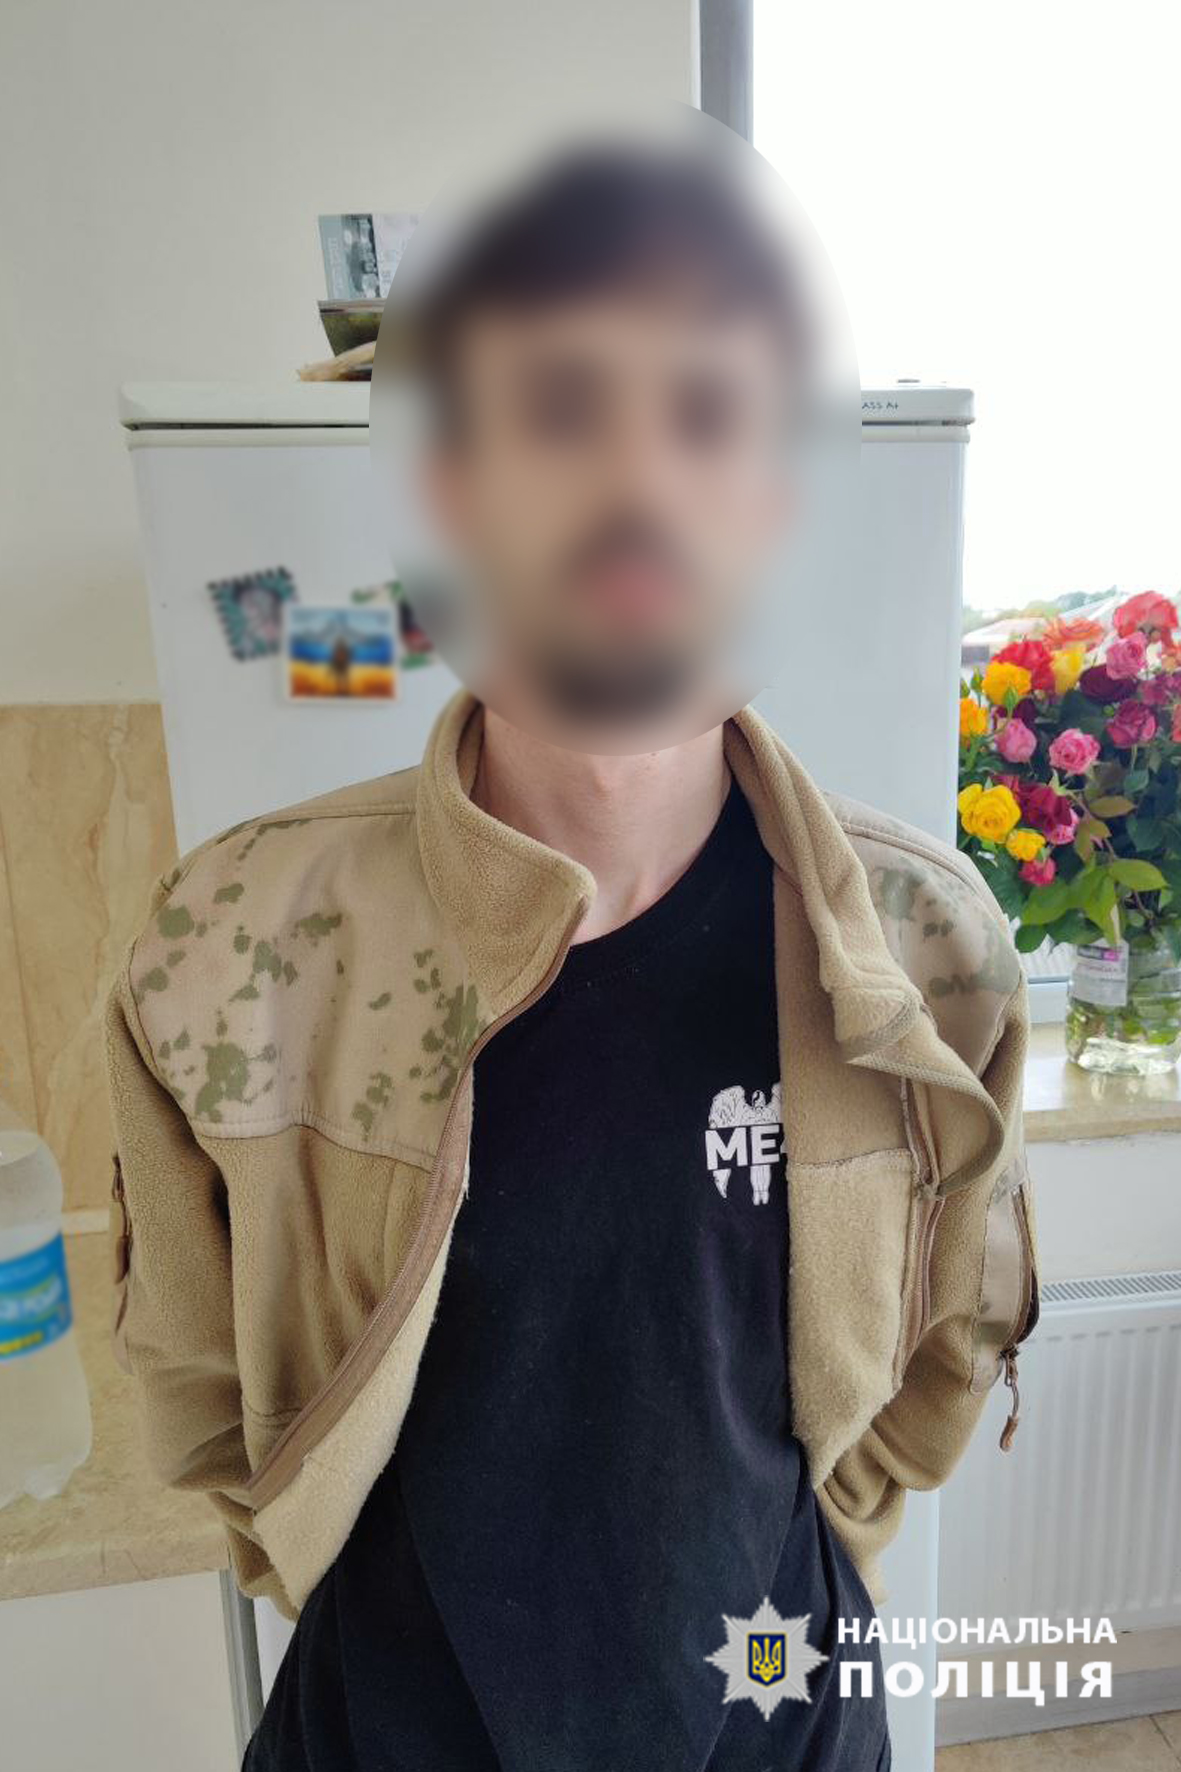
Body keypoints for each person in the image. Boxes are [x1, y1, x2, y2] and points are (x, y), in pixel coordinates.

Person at [104, 142, 1035, 1772]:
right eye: (553, 412)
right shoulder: (234, 939)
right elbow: (193, 1386)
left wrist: (798, 1547)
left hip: (779, 1716)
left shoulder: (928, 944)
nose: (636, 486)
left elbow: (944, 1351)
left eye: (708, 416)